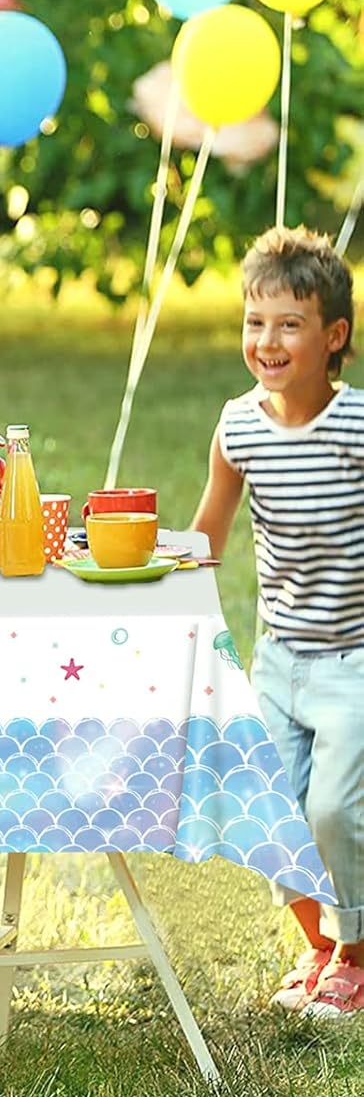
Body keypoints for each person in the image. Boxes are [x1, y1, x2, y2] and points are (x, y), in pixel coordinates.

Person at [191, 226, 364, 1019]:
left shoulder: (356, 429)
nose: (267, 340)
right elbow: (207, 540)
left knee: (332, 810)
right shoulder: (239, 426)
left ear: (334, 337)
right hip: (280, 658)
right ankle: (320, 945)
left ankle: (355, 954)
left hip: (353, 659)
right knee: (270, 812)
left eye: (289, 323)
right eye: (255, 322)